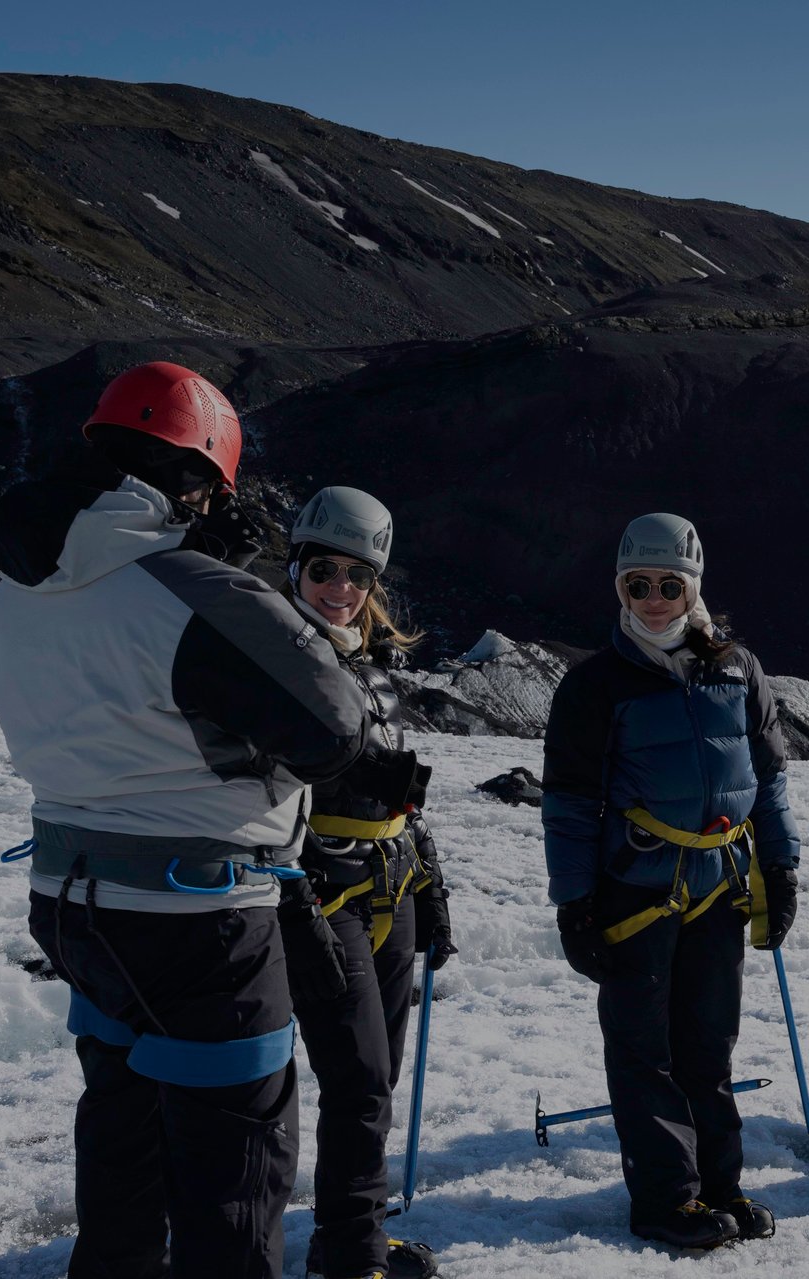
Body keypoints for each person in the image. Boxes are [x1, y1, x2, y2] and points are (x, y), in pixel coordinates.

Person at [0, 362, 368, 1279]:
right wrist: (222, 578)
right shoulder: (192, 590)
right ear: (193, 481)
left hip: (73, 902)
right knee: (233, 1161)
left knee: (122, 1126)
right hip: (203, 918)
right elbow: (332, 730)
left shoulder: (8, 594)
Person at [540, 512, 801, 1249]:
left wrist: (781, 867)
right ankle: (665, 1199)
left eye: (669, 584)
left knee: (707, 1044)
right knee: (643, 1048)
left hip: (719, 883)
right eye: (638, 584)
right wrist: (575, 903)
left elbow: (771, 778)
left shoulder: (736, 668)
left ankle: (718, 1186)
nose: (654, 599)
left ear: (694, 587)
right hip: (634, 892)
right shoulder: (596, 684)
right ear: (620, 587)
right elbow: (567, 802)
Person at [282, 487, 455, 1279]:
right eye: (323, 569)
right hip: (323, 890)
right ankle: (351, 1256)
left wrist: (430, 881)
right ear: (296, 567)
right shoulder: (274, 658)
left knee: (374, 1075)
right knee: (356, 1077)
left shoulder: (374, 663)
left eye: (357, 575)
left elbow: (400, 793)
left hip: (390, 882)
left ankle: (348, 1235)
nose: (340, 588)